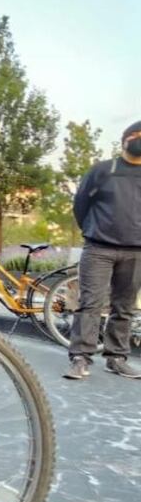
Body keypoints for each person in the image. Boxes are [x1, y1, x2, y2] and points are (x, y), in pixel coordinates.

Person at [63, 120, 141, 380]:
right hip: (99, 248)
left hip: (136, 251)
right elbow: (81, 204)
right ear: (126, 140)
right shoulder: (102, 170)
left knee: (124, 306)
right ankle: (80, 358)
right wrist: (92, 231)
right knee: (90, 304)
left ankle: (117, 357)